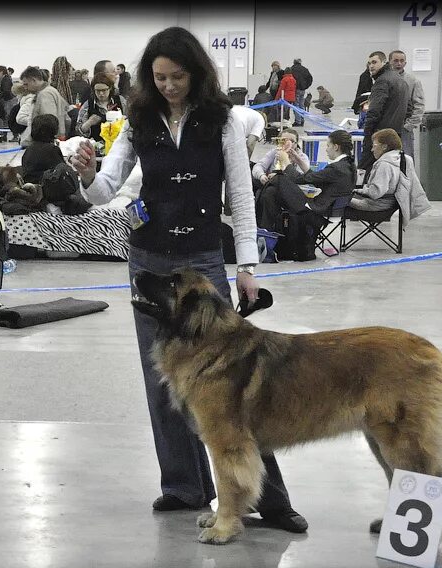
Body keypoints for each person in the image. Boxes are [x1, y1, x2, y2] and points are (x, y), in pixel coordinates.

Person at [69, 26, 308, 534]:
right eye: (159, 77)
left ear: (196, 74)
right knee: (163, 384)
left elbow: (241, 199)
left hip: (202, 263)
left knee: (234, 386)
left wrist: (246, 269)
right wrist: (88, 174)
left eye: (177, 76)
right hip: (149, 263)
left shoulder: (222, 121)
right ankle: (182, 487)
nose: (169, 86)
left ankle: (272, 501)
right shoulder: (135, 120)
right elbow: (104, 190)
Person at [262, 129, 356, 232]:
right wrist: (298, 160)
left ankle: (266, 231)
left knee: (279, 179)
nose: (326, 150)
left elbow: (297, 179)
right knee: (271, 192)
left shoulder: (336, 168)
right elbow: (315, 179)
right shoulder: (348, 165)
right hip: (330, 210)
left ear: (336, 147)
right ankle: (268, 231)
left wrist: (286, 162)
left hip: (317, 211)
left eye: (328, 146)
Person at [352, 129, 431, 228]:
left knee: (337, 199)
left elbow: (374, 193)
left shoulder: (384, 164)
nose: (372, 149)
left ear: (384, 147)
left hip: (375, 207)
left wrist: (357, 190)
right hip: (391, 205)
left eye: (374, 146)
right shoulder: (403, 159)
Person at [361, 51, 409, 171]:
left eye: (374, 62)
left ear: (384, 62)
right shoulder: (400, 80)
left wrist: (367, 134)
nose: (371, 66)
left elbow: (374, 111)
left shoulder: (382, 81)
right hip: (396, 135)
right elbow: (409, 108)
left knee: (365, 171)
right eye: (369, 63)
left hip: (380, 136)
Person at [387, 50, 425, 159]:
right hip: (387, 127)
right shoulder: (384, 80)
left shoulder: (413, 81)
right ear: (390, 62)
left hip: (404, 128)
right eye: (396, 61)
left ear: (405, 63)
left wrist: (409, 126)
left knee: (406, 160)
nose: (399, 63)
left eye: (401, 61)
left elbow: (419, 105)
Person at [19, 66, 70, 146]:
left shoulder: (45, 94)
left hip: (45, 143)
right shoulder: (50, 90)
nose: (25, 88)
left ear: (33, 80)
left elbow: (49, 123)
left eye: (26, 84)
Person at [75, 73, 124, 139]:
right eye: (98, 91)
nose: (101, 94)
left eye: (104, 90)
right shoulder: (88, 105)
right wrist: (88, 123)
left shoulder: (120, 101)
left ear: (110, 88)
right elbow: (78, 132)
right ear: (93, 90)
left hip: (118, 143)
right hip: (96, 145)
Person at [20, 113, 63, 184]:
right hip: (45, 188)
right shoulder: (52, 150)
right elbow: (62, 171)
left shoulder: (29, 149)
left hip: (30, 185)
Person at [290, 58, 313, 127]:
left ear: (294, 62)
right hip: (303, 90)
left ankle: (298, 121)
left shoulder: (292, 69)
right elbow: (310, 78)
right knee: (301, 105)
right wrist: (306, 86)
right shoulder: (305, 69)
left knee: (296, 105)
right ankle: (302, 120)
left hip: (296, 89)